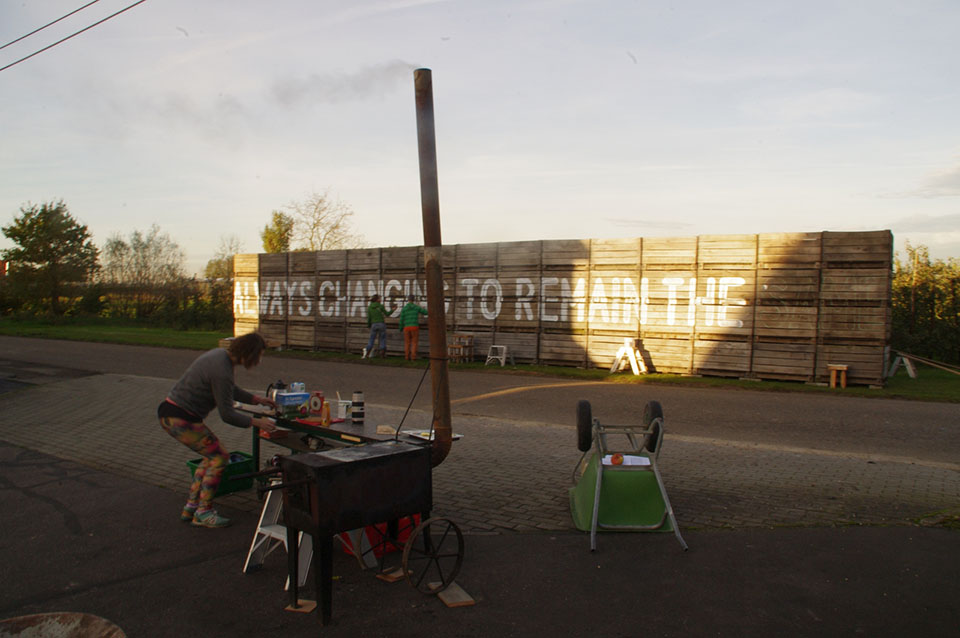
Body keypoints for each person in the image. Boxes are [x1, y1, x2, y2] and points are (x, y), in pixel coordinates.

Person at [157, 332, 277, 528]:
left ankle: (191, 507)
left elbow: (229, 389)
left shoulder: (220, 356)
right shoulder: (222, 370)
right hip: (179, 418)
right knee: (219, 457)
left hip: (173, 414)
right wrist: (257, 423)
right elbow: (227, 414)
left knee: (210, 456)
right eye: (259, 356)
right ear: (249, 353)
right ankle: (203, 512)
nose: (259, 361)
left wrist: (256, 399)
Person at [398, 294, 428, 360]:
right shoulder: (416, 307)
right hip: (414, 326)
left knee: (407, 342)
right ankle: (413, 357)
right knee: (414, 342)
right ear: (413, 300)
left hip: (406, 327)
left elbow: (401, 319)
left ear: (408, 300)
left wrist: (400, 328)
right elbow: (425, 312)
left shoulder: (404, 308)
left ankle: (406, 356)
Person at [364, 294, 388, 358]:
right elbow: (387, 314)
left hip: (373, 324)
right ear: (377, 300)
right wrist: (393, 310)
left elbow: (369, 318)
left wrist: (369, 325)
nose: (380, 300)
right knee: (382, 339)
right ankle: (382, 354)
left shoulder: (370, 307)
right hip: (381, 324)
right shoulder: (381, 306)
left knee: (371, 339)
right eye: (379, 298)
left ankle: (367, 354)